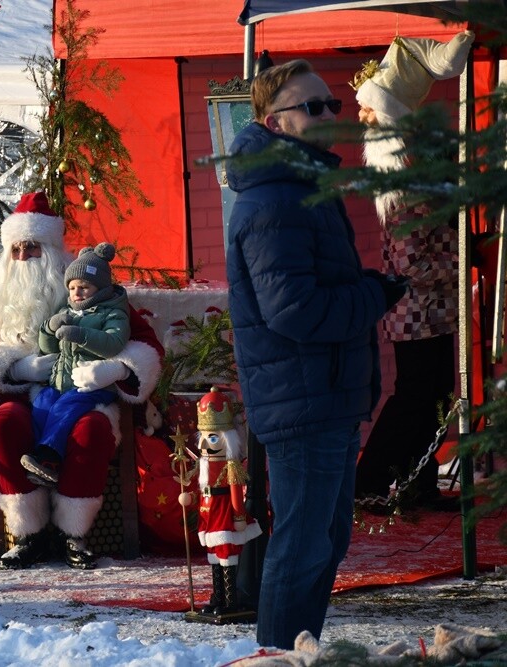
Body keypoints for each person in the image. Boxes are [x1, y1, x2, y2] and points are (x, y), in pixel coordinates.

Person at [225, 60, 407, 649]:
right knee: (304, 543)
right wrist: (372, 294)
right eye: (314, 107)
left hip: (320, 392)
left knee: (322, 539)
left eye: (334, 105)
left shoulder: (301, 186)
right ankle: (277, 656)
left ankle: (296, 653)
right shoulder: (278, 198)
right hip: (301, 397)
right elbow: (295, 310)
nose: (330, 117)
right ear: (272, 122)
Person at [0, 192, 163, 571]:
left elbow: (144, 341)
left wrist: (116, 369)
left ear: (51, 248)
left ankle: (75, 534)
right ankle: (27, 533)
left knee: (93, 430)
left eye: (32, 248)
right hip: (19, 396)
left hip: (78, 392)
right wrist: (14, 370)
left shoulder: (85, 287)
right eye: (15, 249)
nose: (22, 258)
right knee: (1, 427)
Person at [350, 32, 474, 512]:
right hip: (417, 312)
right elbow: (411, 264)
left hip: (431, 312)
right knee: (415, 399)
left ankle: (415, 482)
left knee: (433, 398)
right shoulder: (400, 182)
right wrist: (461, 262)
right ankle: (373, 481)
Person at [21, 242, 131, 486]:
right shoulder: (67, 310)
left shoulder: (112, 313)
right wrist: (49, 328)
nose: (76, 293)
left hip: (91, 386)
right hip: (60, 382)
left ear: (100, 288)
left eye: (84, 287)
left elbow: (113, 342)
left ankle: (50, 457)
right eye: (72, 288)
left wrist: (81, 336)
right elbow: (48, 348)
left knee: (66, 406)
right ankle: (41, 462)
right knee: (42, 403)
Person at [177, 387, 261, 619]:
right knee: (214, 556)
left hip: (225, 515)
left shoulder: (230, 466)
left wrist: (239, 515)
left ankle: (230, 601)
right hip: (209, 515)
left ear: (226, 439)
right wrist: (190, 498)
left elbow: (235, 491)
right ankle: (218, 597)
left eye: (212, 438)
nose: (205, 444)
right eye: (203, 437)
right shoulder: (204, 465)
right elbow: (200, 489)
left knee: (226, 556)